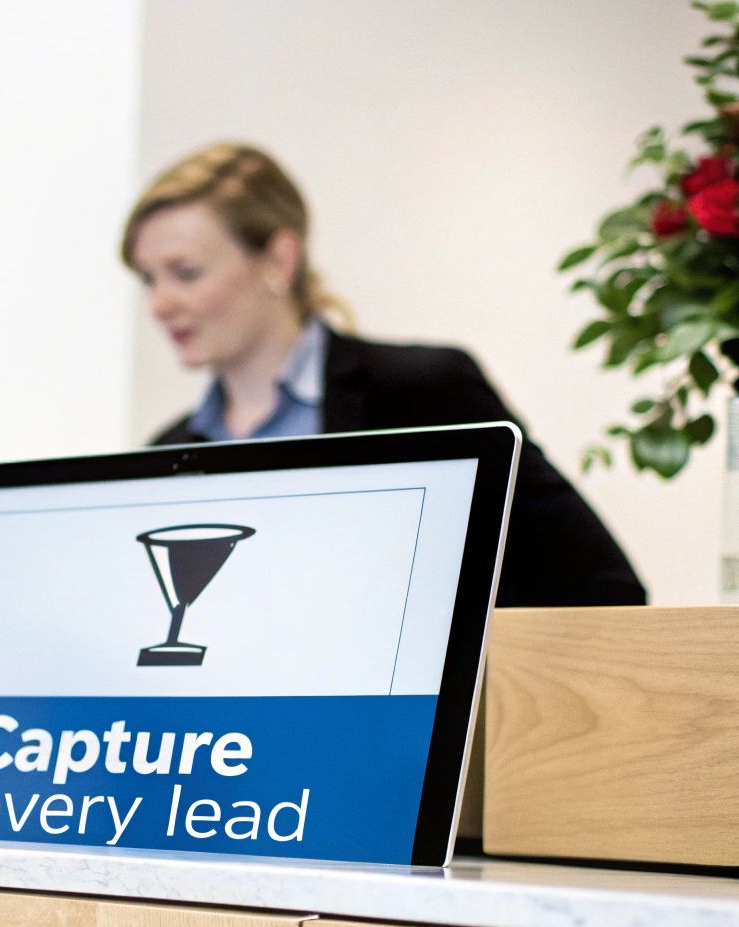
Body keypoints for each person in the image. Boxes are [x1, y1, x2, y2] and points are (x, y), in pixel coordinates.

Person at [124, 142, 645, 607]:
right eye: (149, 279)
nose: (159, 305)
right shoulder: (167, 450)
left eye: (185, 273)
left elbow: (600, 585)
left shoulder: (425, 393)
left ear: (279, 260)